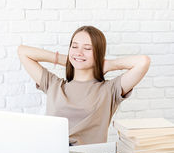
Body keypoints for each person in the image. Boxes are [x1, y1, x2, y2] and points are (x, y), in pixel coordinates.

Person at [18, 26, 150, 145]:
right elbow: (23, 51)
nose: (79, 52)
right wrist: (71, 59)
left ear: (98, 53)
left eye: (87, 48)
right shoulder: (54, 85)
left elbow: (143, 62)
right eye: (74, 47)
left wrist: (107, 64)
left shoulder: (109, 90)